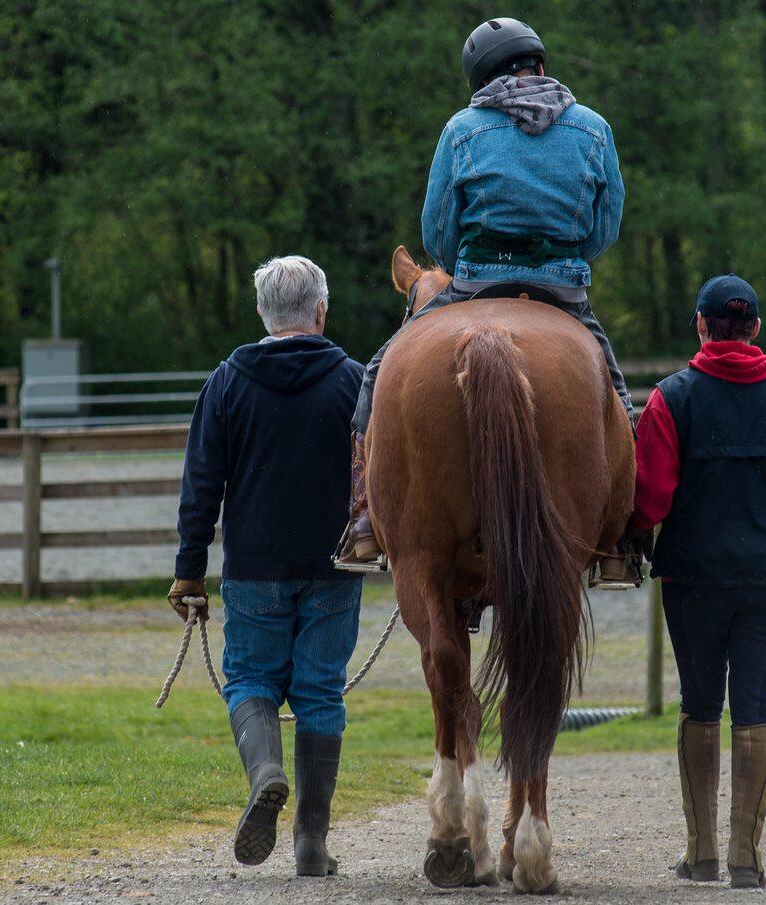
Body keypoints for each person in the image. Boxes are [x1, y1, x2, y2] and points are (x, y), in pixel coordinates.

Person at [334, 16, 632, 573]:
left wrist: (463, 262)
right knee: (614, 393)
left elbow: (436, 233)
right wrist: (566, 257)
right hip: (562, 290)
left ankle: (365, 515)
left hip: (474, 281)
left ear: (481, 77)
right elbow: (606, 225)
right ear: (538, 64)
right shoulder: (593, 127)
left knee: (376, 375)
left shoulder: (462, 129)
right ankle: (620, 541)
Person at [167, 255, 367, 877]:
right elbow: (376, 480)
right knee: (319, 692)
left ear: (262, 313)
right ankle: (311, 840)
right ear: (321, 311)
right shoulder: (356, 382)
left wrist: (189, 569)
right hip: (335, 566)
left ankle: (264, 772)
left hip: (252, 567)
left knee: (250, 679)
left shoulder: (228, 381)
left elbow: (202, 483)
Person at [631, 274, 766, 889]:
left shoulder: (671, 398)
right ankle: (747, 857)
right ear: (756, 329)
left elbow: (652, 497)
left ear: (701, 325)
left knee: (700, 702)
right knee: (755, 708)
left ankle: (702, 852)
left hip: (695, 577)